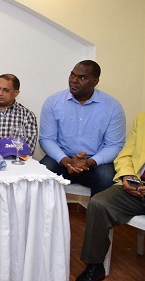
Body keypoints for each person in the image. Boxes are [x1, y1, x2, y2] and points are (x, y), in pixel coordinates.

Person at [75, 109, 145, 281]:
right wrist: (126, 175)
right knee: (99, 204)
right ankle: (95, 265)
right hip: (138, 188)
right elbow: (125, 155)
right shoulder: (144, 119)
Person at [39, 60, 126, 196]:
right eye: (72, 75)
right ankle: (43, 216)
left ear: (95, 81)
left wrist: (89, 162)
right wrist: (67, 161)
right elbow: (46, 139)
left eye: (82, 78)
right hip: (62, 159)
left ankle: (95, 216)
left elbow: (114, 145)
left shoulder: (113, 107)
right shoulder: (53, 102)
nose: (74, 80)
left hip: (95, 162)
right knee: (43, 171)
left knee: (106, 177)